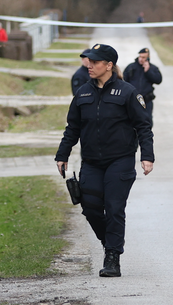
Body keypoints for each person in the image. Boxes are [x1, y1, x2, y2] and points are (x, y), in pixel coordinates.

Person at [55, 44, 155, 277]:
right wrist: (62, 154)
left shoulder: (128, 92)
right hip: (91, 162)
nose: (89, 65)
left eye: (95, 62)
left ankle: (112, 257)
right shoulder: (83, 93)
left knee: (114, 208)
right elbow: (73, 127)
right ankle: (110, 241)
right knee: (90, 208)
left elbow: (143, 126)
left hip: (120, 161)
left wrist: (147, 156)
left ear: (109, 65)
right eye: (89, 61)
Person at [121, 47, 162, 119]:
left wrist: (148, 71)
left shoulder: (153, 68)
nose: (141, 59)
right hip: (133, 100)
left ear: (148, 57)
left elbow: (158, 80)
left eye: (143, 57)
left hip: (146, 101)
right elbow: (123, 81)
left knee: (147, 120)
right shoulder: (131, 67)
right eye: (140, 56)